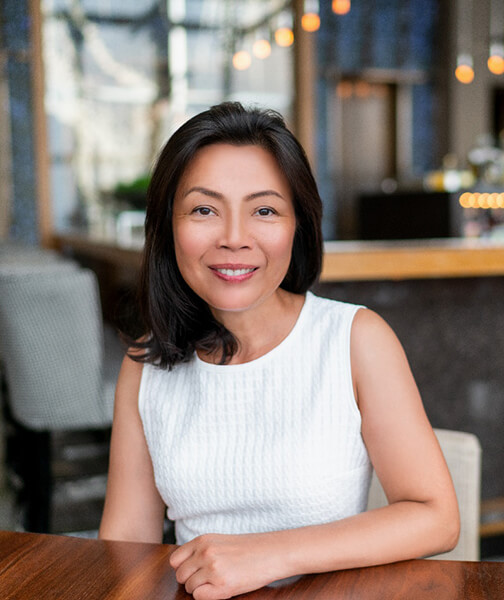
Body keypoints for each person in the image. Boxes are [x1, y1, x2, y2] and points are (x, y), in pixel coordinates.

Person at [99, 101, 459, 600]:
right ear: (168, 227)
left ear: (298, 225)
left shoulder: (355, 339)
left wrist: (270, 553)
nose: (233, 239)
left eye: (264, 210)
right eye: (204, 209)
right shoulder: (147, 365)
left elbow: (435, 518)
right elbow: (126, 549)